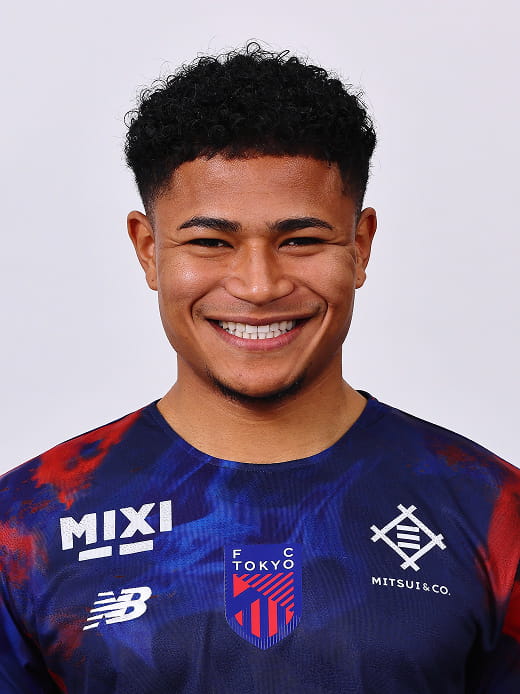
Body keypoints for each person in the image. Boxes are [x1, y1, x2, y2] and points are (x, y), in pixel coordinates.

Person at [0, 43, 518, 694]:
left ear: (359, 247)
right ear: (148, 249)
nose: (258, 284)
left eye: (300, 240)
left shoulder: (495, 513)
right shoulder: (28, 525)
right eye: (210, 242)